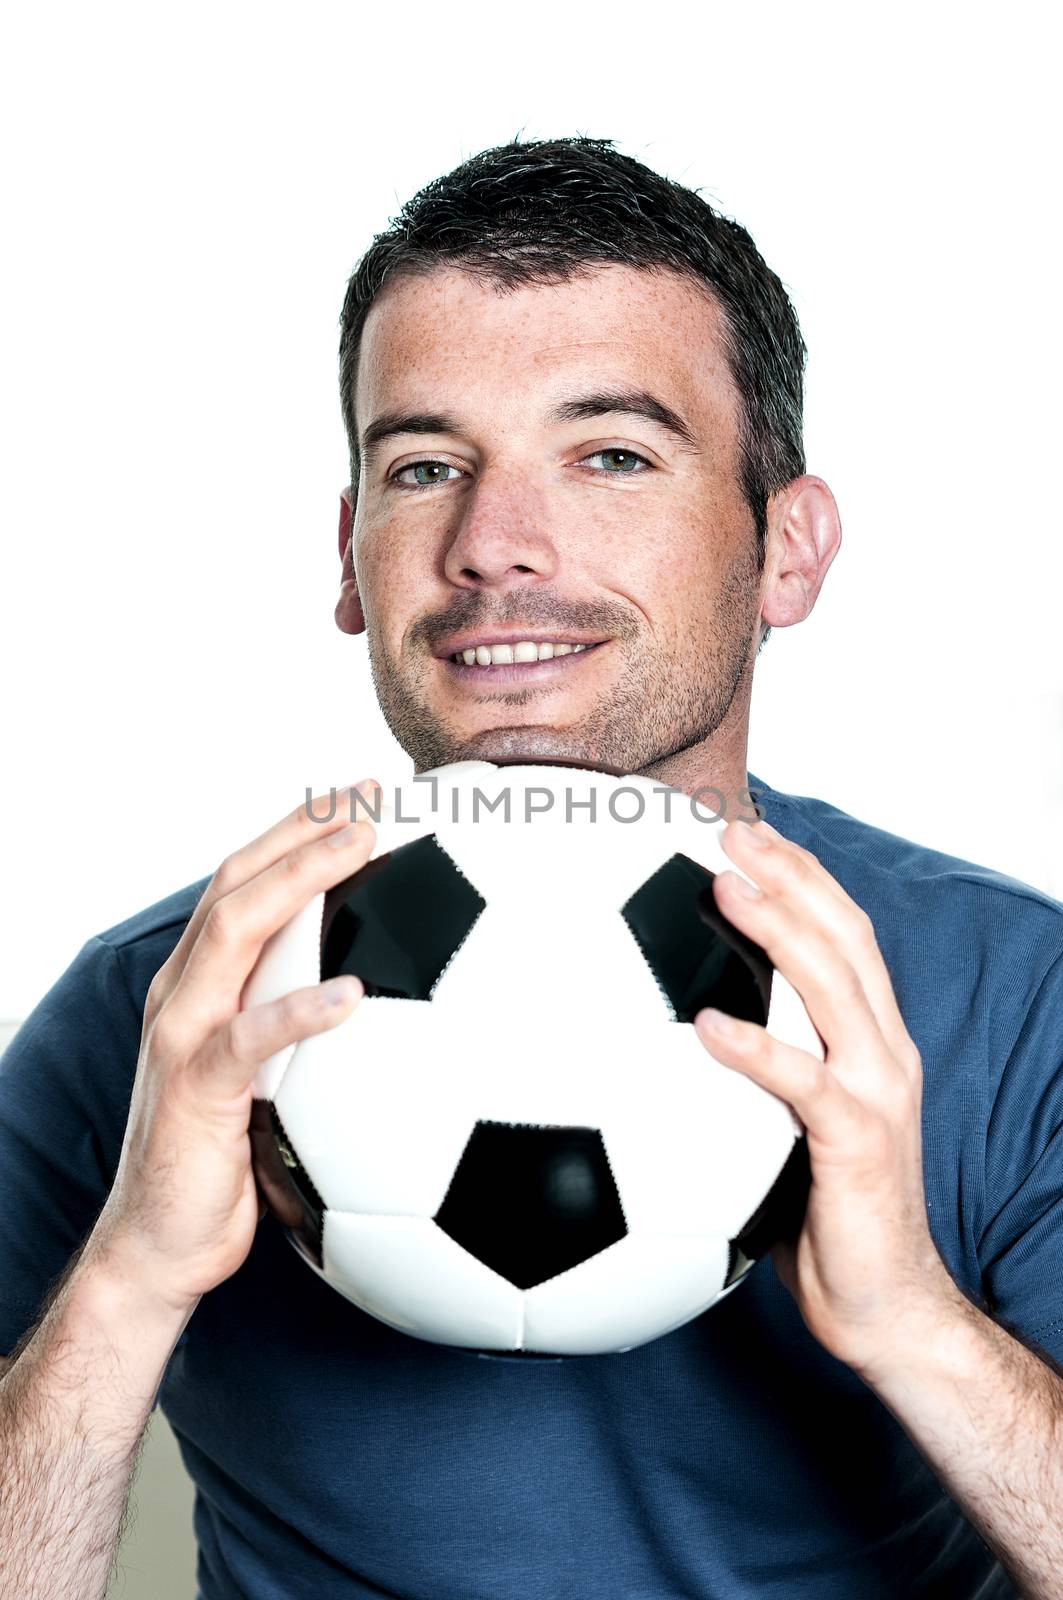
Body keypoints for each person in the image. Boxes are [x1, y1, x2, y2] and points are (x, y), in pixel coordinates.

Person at [1, 134, 1061, 1600]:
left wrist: (911, 1321)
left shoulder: (1015, 997)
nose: (497, 546)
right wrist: (127, 1283)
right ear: (352, 557)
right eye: (427, 466)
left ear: (787, 549)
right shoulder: (157, 1012)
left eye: (612, 455)